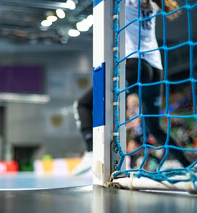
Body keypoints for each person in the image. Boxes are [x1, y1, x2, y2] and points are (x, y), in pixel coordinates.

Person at [72, 0, 189, 176]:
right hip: (156, 70)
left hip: (135, 65)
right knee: (155, 127)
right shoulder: (154, 4)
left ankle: (90, 151)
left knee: (83, 104)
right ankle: (188, 164)